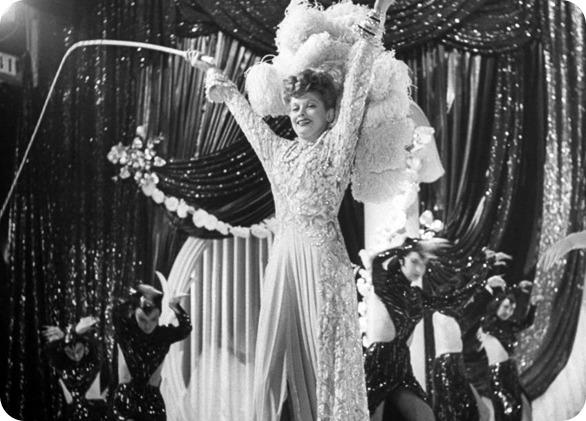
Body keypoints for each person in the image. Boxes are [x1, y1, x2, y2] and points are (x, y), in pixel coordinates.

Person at [186, 1, 394, 420]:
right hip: (283, 260)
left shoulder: (336, 147)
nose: (300, 112)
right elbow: (246, 118)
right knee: (273, 361)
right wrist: (215, 77)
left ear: (329, 113)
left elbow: (354, 89)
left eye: (310, 105)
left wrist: (378, 18)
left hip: (321, 260)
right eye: (295, 106)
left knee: (326, 356)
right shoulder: (278, 153)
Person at [360, 238, 507, 421]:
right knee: (372, 417)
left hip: (402, 365)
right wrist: (407, 247)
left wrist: (484, 271)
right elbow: (377, 260)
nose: (419, 270)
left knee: (426, 416)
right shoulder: (385, 284)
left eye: (423, 264)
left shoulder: (417, 296)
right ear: (402, 259)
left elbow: (453, 300)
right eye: (414, 261)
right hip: (380, 361)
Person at [110, 284, 191, 421]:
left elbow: (185, 328)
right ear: (135, 313)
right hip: (126, 400)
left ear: (159, 315)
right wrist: (135, 297)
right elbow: (115, 313)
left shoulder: (162, 336)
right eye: (142, 319)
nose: (148, 325)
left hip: (152, 402)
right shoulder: (127, 331)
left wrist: (175, 307)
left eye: (153, 319)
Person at [477, 282, 541, 421]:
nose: (509, 312)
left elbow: (526, 323)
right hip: (497, 375)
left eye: (512, 309)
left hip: (511, 371)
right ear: (497, 305)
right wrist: (516, 288)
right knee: (508, 409)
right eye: (505, 307)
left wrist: (533, 305)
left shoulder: (510, 325)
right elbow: (494, 298)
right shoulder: (489, 322)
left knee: (522, 405)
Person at [42, 316, 108, 421]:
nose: (76, 356)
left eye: (78, 351)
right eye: (70, 353)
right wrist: (66, 337)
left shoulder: (92, 363)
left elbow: (98, 347)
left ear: (85, 348)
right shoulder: (63, 367)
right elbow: (49, 351)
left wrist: (74, 332)